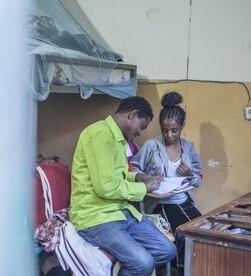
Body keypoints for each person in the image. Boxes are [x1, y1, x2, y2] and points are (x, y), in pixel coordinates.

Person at [69, 96, 176, 276]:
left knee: (167, 250)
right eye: (142, 127)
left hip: (119, 212)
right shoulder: (100, 135)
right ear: (132, 115)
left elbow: (116, 174)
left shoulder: (118, 138)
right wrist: (145, 188)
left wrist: (138, 177)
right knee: (143, 263)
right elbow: (106, 187)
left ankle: (127, 268)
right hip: (95, 217)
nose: (141, 132)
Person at [130, 91, 203, 274]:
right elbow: (132, 169)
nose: (169, 135)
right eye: (164, 130)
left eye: (174, 130)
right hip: (159, 204)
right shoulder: (151, 146)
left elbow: (198, 180)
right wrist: (147, 178)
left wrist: (190, 174)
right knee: (185, 234)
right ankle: (181, 270)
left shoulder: (189, 148)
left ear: (182, 126)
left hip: (183, 201)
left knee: (202, 229)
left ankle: (196, 269)